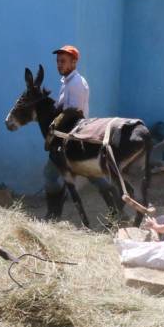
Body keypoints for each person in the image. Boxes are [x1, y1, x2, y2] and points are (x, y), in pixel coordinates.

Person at [43, 44, 113, 219]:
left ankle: (54, 211)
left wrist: (56, 134)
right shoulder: (67, 82)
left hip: (74, 140)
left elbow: (74, 116)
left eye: (63, 61)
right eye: (58, 61)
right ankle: (55, 211)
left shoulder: (76, 84)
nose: (59, 64)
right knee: (89, 175)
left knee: (91, 176)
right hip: (67, 139)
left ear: (74, 63)